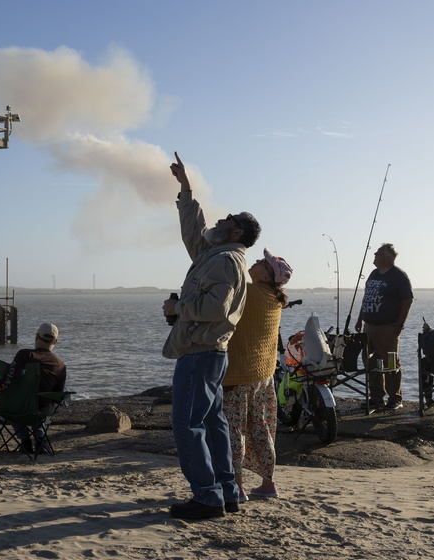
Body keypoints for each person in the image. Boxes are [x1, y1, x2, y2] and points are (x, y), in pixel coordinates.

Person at [162, 151, 261, 520]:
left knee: (188, 425)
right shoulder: (216, 253)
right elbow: (193, 228)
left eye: (228, 219)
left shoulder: (223, 260)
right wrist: (185, 188)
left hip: (201, 352)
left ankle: (207, 497)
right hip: (212, 354)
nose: (220, 219)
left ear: (236, 232)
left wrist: (177, 309)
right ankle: (227, 492)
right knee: (213, 423)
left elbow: (215, 308)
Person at [222, 248, 292, 503]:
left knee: (234, 430)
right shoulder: (274, 298)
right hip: (264, 375)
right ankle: (268, 484)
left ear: (265, 277)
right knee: (262, 427)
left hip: (238, 375)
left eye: (262, 263)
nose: (256, 262)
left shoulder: (248, 292)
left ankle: (237, 487)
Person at [0, 322, 67, 455]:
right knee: (43, 402)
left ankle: (25, 440)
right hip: (41, 413)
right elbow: (57, 395)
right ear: (56, 341)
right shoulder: (61, 365)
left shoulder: (25, 355)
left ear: (36, 336)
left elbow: (6, 384)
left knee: (15, 400)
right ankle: (40, 439)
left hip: (16, 410)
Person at [354, 243, 414, 410]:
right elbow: (367, 298)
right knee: (370, 362)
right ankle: (376, 397)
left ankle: (395, 398)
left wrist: (400, 324)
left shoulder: (398, 276)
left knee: (390, 362)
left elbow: (407, 300)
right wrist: (360, 319)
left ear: (387, 257)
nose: (374, 254)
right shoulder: (373, 274)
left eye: (378, 253)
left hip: (387, 327)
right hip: (369, 326)